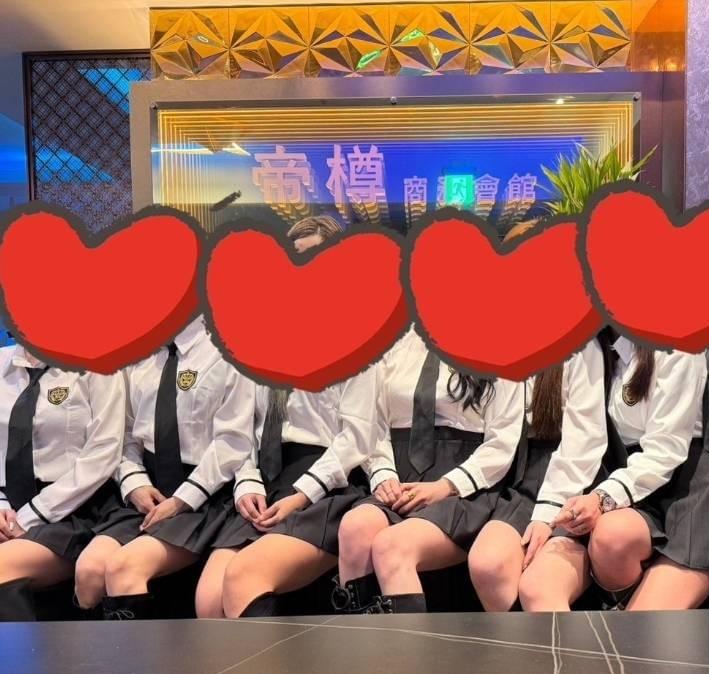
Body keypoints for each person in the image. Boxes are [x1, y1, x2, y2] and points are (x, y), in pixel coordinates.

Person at [466, 221, 609, 613]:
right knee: (486, 564)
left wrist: (547, 515)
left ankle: (556, 653)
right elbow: (499, 435)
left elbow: (585, 441)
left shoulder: (582, 346)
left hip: (575, 481)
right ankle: (518, 651)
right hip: (522, 480)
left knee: (539, 588)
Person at [74, 315, 254, 619]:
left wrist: (183, 499)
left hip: (204, 494)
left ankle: (141, 653)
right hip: (148, 491)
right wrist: (135, 484)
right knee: (89, 569)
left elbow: (232, 441)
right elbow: (124, 435)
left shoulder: (228, 350)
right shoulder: (136, 354)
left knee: (124, 567)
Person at [335, 327, 524, 614]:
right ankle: (362, 640)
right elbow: (370, 422)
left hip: (464, 488)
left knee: (391, 546)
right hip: (402, 477)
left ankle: (409, 645)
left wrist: (445, 486)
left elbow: (503, 442)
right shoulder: (392, 342)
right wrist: (383, 474)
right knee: (355, 527)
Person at [551, 338, 709, 611]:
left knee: (612, 537)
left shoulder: (676, 348)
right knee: (538, 584)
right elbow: (577, 444)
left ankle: (623, 624)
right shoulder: (593, 351)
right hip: (612, 476)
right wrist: (548, 512)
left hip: (679, 484)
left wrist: (601, 498)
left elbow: (666, 450)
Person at [203, 370, 377, 618]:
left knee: (245, 575)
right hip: (266, 485)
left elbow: (357, 437)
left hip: (326, 487)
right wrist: (247, 482)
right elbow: (239, 429)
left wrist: (302, 494)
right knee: (209, 599)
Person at [0, 345, 124, 620]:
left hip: (76, 509)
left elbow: (104, 453)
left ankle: (28, 651)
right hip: (10, 505)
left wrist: (28, 517)